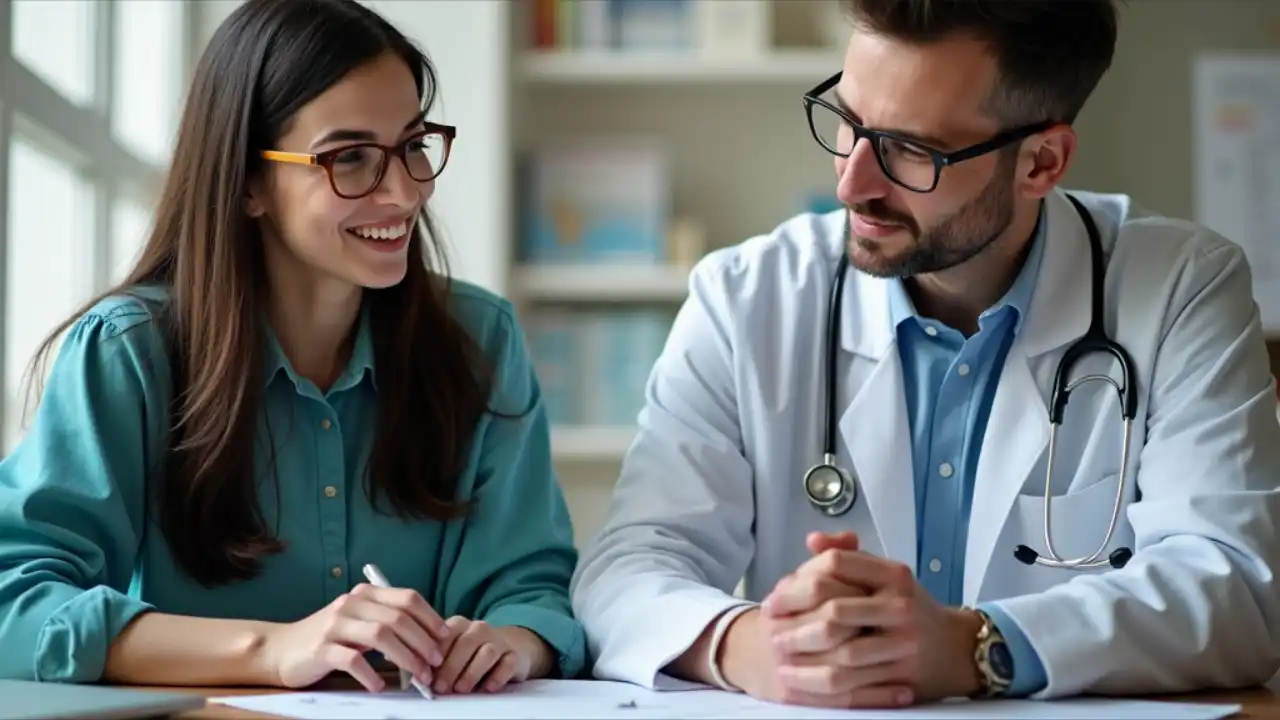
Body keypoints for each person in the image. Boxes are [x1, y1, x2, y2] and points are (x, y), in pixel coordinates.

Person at [571, 0, 1280, 708]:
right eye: (847, 123)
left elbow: (1238, 589)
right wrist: (753, 647)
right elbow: (624, 572)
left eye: (912, 150)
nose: (852, 183)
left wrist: (976, 647)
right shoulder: (746, 298)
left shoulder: (1183, 288)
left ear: (1042, 161)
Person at [0, 0, 585, 693]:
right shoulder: (128, 352)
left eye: (414, 145)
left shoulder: (479, 340)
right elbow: (16, 607)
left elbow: (532, 589)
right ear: (249, 181)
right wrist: (276, 650)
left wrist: (511, 643)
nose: (402, 192)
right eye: (351, 158)